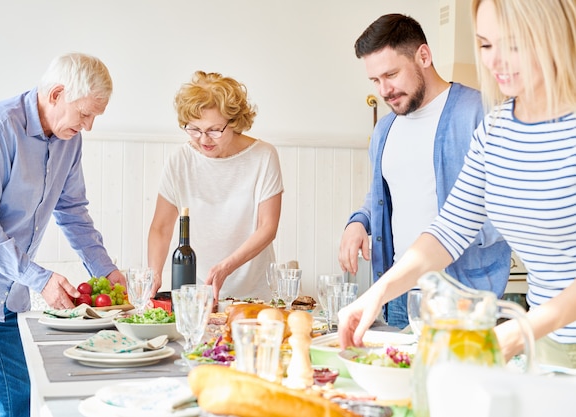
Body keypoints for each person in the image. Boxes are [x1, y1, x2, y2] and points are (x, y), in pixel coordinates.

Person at [339, 0, 576, 368]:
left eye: (513, 44)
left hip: (532, 332)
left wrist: (513, 333)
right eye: (485, 44)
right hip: (545, 344)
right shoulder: (496, 129)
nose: (495, 61)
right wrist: (377, 293)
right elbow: (449, 230)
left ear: (551, 35)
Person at [0, 52, 126, 416]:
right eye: (85, 114)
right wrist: (39, 278)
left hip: (11, 296)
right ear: (57, 93)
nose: (89, 126)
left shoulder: (69, 140)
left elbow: (73, 212)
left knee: (22, 403)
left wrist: (106, 271)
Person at [337, 13, 511, 329]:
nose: (384, 90)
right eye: (375, 81)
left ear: (424, 56)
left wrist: (446, 239)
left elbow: (505, 212)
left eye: (391, 74)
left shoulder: (480, 113)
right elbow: (382, 196)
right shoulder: (385, 127)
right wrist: (359, 223)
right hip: (399, 292)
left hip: (461, 297)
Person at [148, 71, 283, 302]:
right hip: (198, 295)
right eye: (194, 129)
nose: (203, 139)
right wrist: (154, 274)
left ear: (235, 122)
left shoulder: (264, 156)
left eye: (213, 130)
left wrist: (226, 267)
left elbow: (267, 227)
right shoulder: (180, 160)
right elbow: (160, 228)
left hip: (254, 295)